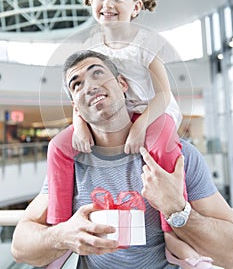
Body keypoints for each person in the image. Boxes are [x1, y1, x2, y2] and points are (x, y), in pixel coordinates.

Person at [46, 0, 209, 267]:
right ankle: (59, 228)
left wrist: (141, 126)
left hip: (154, 111)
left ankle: (173, 231)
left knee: (160, 148)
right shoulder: (91, 45)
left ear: (135, 7)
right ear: (90, 1)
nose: (108, 5)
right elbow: (81, 94)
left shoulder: (146, 43)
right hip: (116, 114)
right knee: (57, 147)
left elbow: (164, 95)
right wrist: (80, 125)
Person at [11, 50, 233, 269]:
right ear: (75, 107)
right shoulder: (69, 163)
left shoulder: (178, 157)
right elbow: (20, 248)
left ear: (122, 84)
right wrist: (62, 236)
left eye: (97, 73)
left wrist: (177, 210)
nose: (89, 86)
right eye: (76, 84)